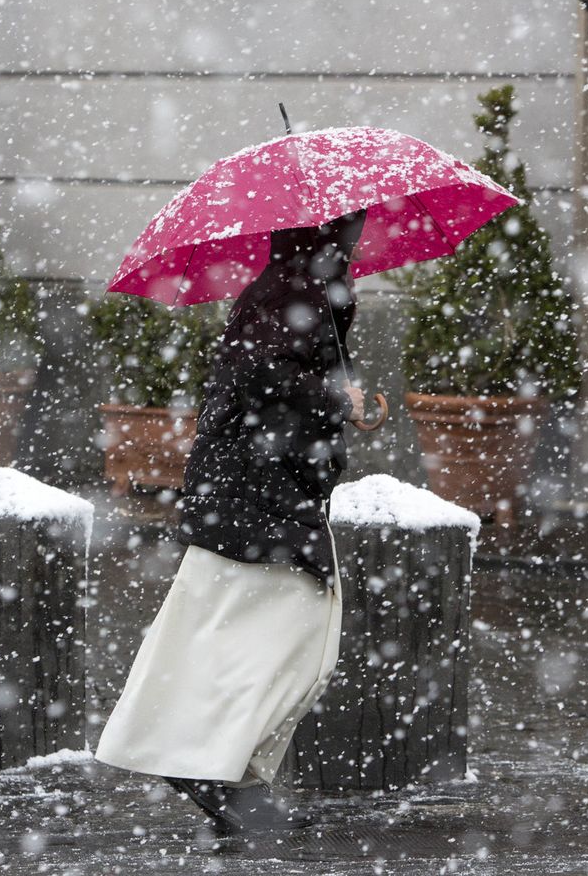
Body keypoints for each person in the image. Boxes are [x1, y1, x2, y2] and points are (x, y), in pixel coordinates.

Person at [95, 212, 367, 837]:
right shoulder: (289, 293)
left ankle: (219, 768)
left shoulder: (301, 289)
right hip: (257, 494)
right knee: (287, 642)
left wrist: (340, 400)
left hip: (260, 493)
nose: (358, 235)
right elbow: (264, 381)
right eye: (351, 225)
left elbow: (282, 383)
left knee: (255, 638)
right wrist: (335, 398)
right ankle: (206, 764)